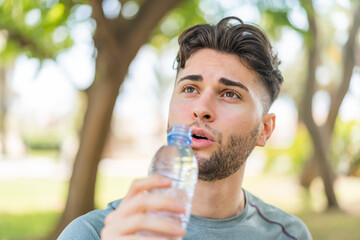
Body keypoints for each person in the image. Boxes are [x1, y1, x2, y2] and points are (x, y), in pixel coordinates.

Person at [58, 16, 312, 240]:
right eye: (190, 89)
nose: (201, 108)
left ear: (265, 130)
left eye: (230, 94)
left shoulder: (290, 235)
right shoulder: (94, 234)